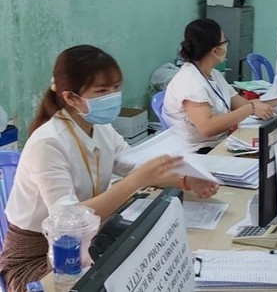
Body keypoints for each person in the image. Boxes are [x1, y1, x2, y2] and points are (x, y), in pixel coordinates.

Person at [0, 45, 218, 292]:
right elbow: (67, 219)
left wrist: (187, 180)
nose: (112, 96)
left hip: (88, 241)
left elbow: (132, 164)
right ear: (71, 97)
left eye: (116, 88)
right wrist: (135, 182)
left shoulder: (99, 127)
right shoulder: (48, 143)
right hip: (40, 259)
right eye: (102, 91)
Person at [163, 19, 277, 154]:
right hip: (198, 153)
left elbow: (244, 104)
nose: (227, 46)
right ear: (215, 51)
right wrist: (250, 108)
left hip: (220, 143)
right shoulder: (190, 82)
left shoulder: (213, 74)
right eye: (225, 41)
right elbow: (207, 128)